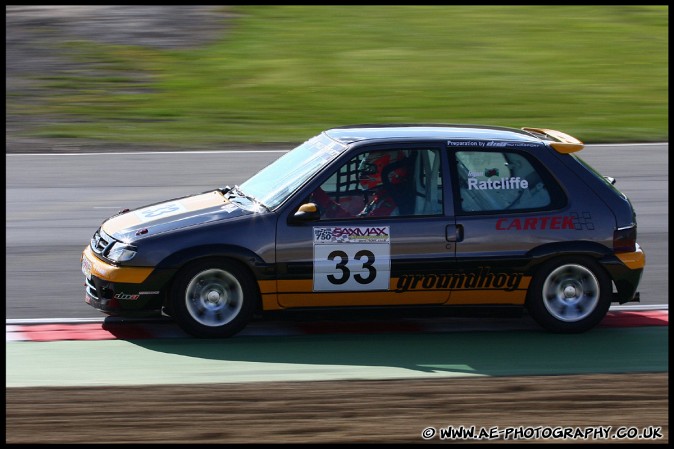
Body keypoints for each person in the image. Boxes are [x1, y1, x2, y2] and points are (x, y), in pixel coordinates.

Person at [310, 150, 409, 218]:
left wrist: (325, 201)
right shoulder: (382, 195)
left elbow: (357, 228)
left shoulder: (392, 203)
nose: (364, 173)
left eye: (370, 169)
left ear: (390, 172)